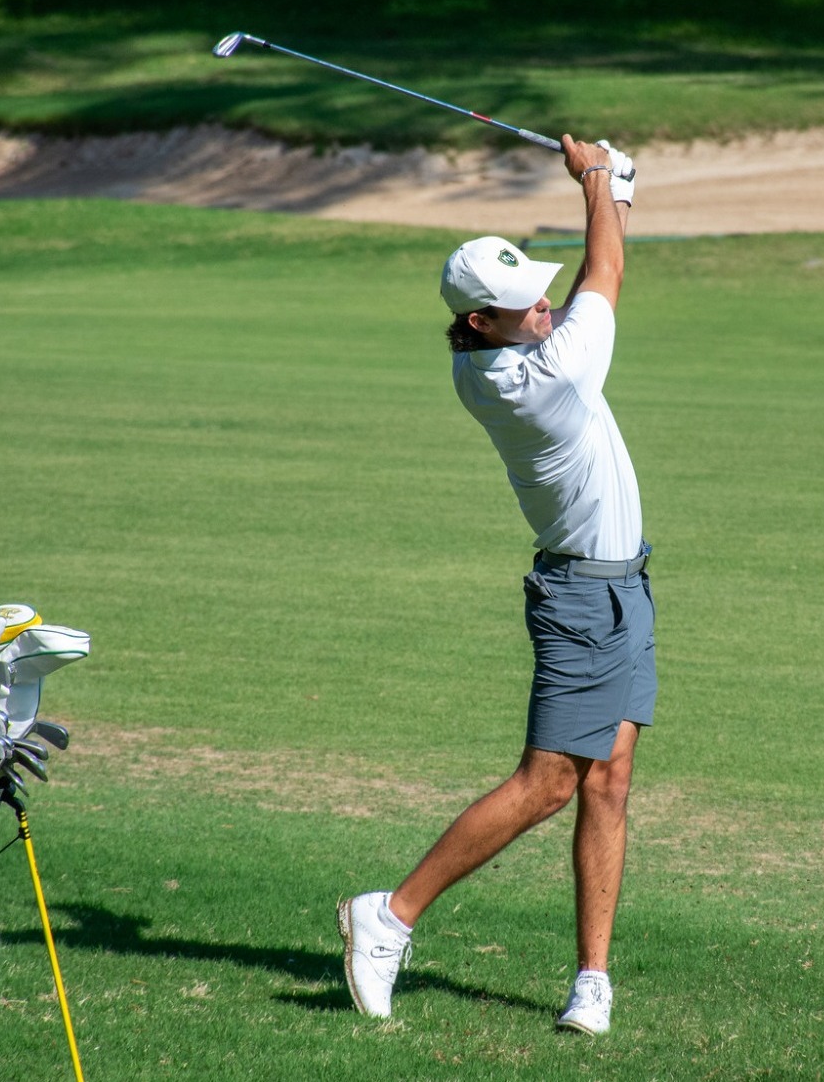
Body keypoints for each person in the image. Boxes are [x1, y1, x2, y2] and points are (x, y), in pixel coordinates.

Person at [338, 136, 651, 1036]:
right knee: (550, 782)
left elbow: (595, 262)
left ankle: (592, 979)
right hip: (583, 600)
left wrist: (617, 188)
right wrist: (598, 179)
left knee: (610, 781)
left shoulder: (502, 352)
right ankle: (389, 916)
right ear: (481, 323)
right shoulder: (539, 379)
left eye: (536, 288)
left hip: (624, 585)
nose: (542, 304)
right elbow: (608, 275)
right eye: (521, 305)